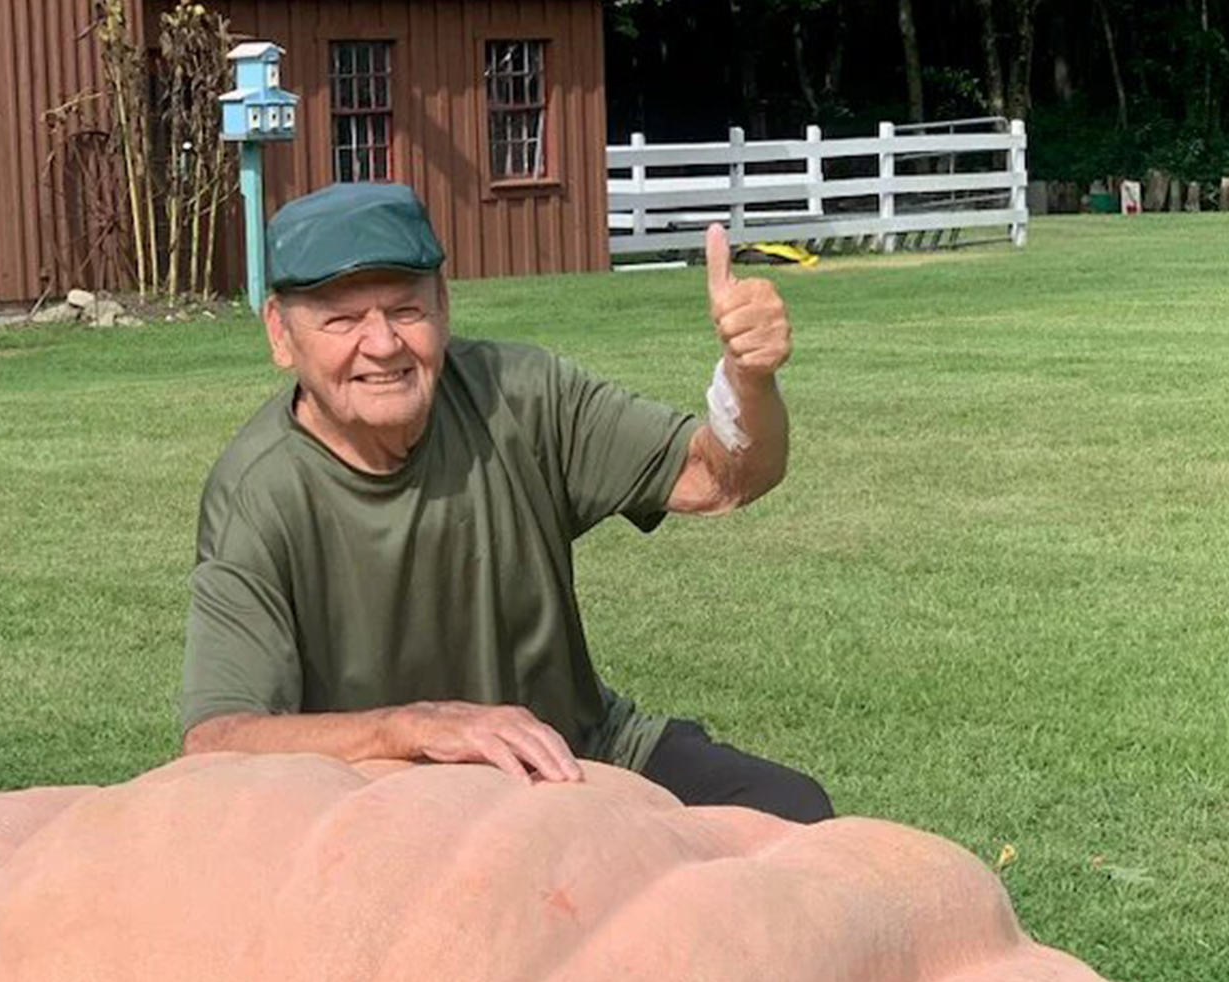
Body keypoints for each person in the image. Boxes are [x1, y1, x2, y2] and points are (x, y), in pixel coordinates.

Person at [179, 182, 832, 822]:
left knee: (792, 813)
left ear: (443, 304)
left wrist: (748, 382)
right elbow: (217, 740)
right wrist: (411, 729)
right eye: (342, 319)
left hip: (581, 758)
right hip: (388, 807)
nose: (381, 345)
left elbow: (722, 478)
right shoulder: (257, 494)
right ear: (280, 333)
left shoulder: (519, 396)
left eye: (405, 310)